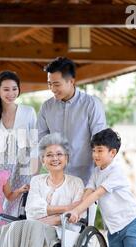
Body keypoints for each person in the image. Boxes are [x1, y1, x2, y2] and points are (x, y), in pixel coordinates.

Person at [67, 128, 136, 247]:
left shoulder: (116, 171)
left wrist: (77, 210)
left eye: (100, 150)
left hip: (131, 221)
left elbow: (97, 194)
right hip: (114, 228)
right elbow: (88, 191)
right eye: (94, 150)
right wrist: (77, 210)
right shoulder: (96, 172)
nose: (95, 154)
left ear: (112, 152)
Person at [37, 57, 106, 185]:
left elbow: (100, 140)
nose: (52, 89)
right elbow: (41, 139)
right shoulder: (46, 107)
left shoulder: (91, 104)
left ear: (71, 81)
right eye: (49, 84)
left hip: (85, 179)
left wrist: (99, 177)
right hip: (55, 179)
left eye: (57, 84)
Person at [0, 70, 38, 217]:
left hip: (24, 166)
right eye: (6, 89)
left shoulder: (28, 112)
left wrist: (35, 172)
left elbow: (35, 144)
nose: (11, 93)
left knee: (19, 206)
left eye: (14, 89)